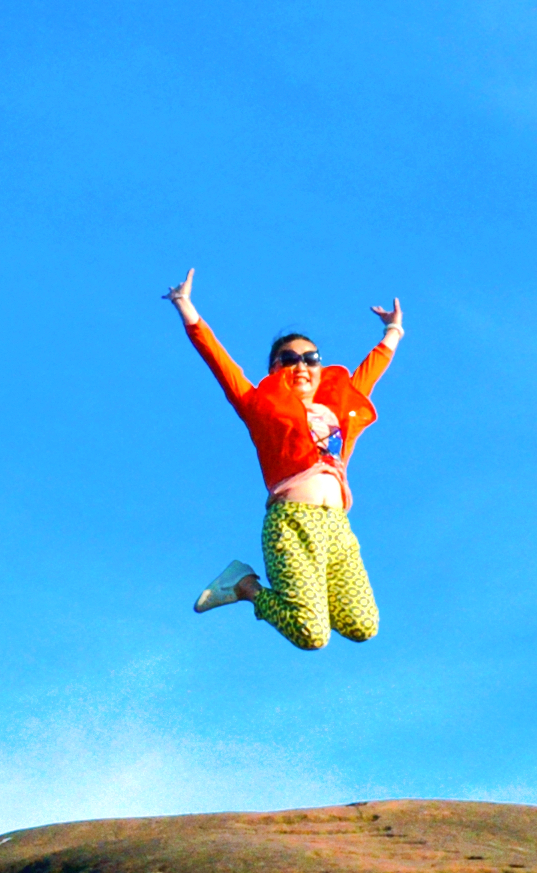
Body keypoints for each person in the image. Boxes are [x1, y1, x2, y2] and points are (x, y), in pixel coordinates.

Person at [164, 270, 403, 649]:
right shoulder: (259, 407)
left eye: (310, 358)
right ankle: (244, 586)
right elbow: (220, 363)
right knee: (311, 635)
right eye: (289, 359)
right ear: (275, 370)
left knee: (363, 625)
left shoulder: (337, 408)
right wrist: (185, 306)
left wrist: (393, 332)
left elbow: (369, 373)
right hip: (292, 523)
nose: (302, 365)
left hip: (338, 528)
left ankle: (305, 594)